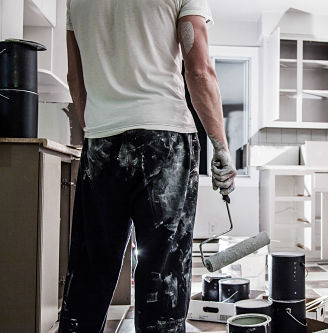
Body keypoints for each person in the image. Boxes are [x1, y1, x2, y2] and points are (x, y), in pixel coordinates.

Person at [60, 0, 236, 332]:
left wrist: (98, 130)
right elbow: (199, 70)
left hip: (101, 141)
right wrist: (221, 147)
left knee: (90, 271)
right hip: (164, 140)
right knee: (162, 274)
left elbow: (75, 78)